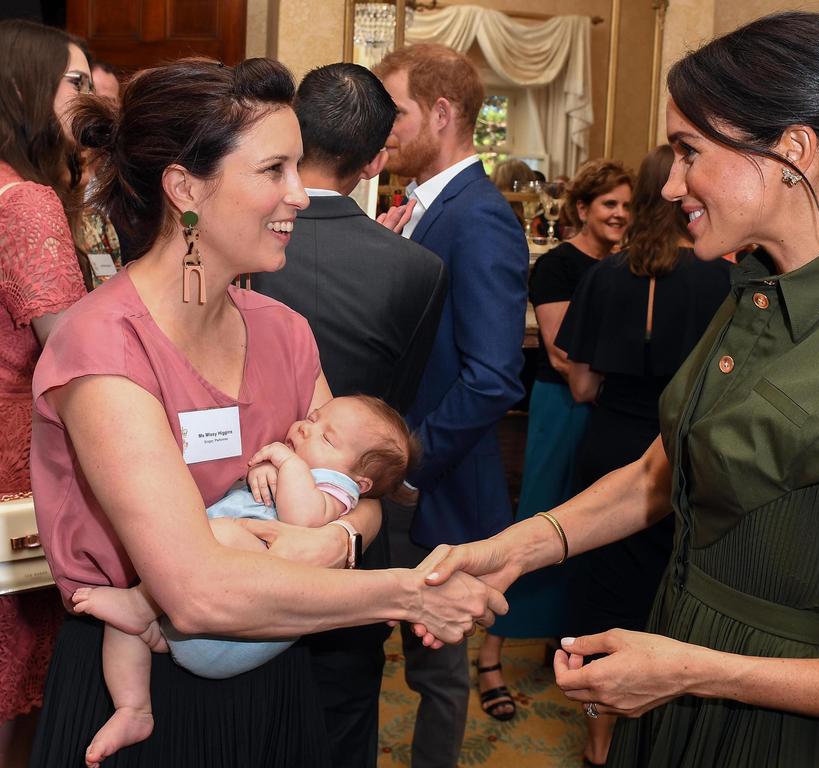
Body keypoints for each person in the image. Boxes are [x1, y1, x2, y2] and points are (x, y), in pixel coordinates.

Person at [420, 12, 819, 767]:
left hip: (794, 735)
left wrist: (703, 670)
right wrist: (519, 546)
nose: (669, 184)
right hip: (679, 690)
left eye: (689, 152)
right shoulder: (753, 293)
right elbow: (659, 472)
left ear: (792, 150)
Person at [28, 56, 506, 768]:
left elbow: (361, 492)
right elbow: (194, 596)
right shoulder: (103, 349)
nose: (300, 195)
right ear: (186, 188)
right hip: (141, 692)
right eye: (274, 170)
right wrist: (402, 591)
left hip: (277, 679)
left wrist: (333, 541)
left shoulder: (284, 331)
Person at [251, 61, 449, 768]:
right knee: (337, 727)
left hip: (238, 515)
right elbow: (395, 407)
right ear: (374, 162)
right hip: (349, 521)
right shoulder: (414, 269)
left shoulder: (238, 241)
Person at [73, 394, 416, 767]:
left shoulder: (336, 489)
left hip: (230, 624)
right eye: (313, 418)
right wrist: (265, 470)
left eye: (327, 438)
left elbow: (302, 518)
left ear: (360, 482)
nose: (306, 427)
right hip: (183, 615)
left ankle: (139, 604)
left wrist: (286, 463)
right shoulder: (307, 467)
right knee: (123, 630)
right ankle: (133, 707)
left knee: (215, 537)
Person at [375, 43, 529, 767]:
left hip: (433, 488)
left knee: (436, 674)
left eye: (395, 110)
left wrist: (411, 470)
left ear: (441, 113)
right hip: (398, 478)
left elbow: (494, 377)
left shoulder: (479, 217)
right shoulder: (419, 207)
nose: (384, 126)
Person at [554, 145, 731, 765]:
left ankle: (599, 741)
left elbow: (581, 386)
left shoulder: (606, 275)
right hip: (690, 454)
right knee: (676, 589)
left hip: (611, 449)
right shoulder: (729, 281)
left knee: (604, 595)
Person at [480, 158, 632, 723]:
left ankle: (565, 640)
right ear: (584, 209)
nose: (619, 214)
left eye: (626, 205)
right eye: (609, 204)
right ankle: (492, 655)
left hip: (609, 413)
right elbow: (563, 352)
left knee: (597, 532)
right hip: (562, 407)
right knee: (544, 522)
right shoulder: (560, 267)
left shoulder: (633, 266)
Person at [0, 19, 90, 768]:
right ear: (27, 85)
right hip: (16, 461)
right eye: (75, 81)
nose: (88, 97)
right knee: (22, 676)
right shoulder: (25, 201)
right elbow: (74, 347)